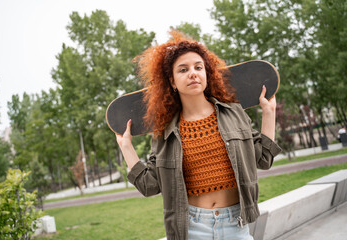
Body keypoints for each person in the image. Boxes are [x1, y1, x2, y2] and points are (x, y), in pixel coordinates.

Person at [115, 31, 282, 240]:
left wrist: (269, 113)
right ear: (173, 82)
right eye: (183, 70)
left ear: (206, 73)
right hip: (192, 228)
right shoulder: (165, 132)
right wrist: (127, 148)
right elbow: (150, 185)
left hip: (235, 224)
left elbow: (264, 159)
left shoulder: (233, 113)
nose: (192, 73)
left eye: (198, 67)